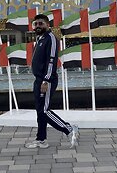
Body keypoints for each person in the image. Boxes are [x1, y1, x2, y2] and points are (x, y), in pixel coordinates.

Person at [25, 14, 79, 149]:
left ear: (48, 25)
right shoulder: (40, 38)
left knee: (44, 111)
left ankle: (69, 129)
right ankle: (41, 139)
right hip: (39, 80)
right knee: (39, 111)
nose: (38, 26)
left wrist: (46, 80)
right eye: (36, 24)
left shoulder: (51, 38)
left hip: (46, 80)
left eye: (41, 24)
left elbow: (52, 60)